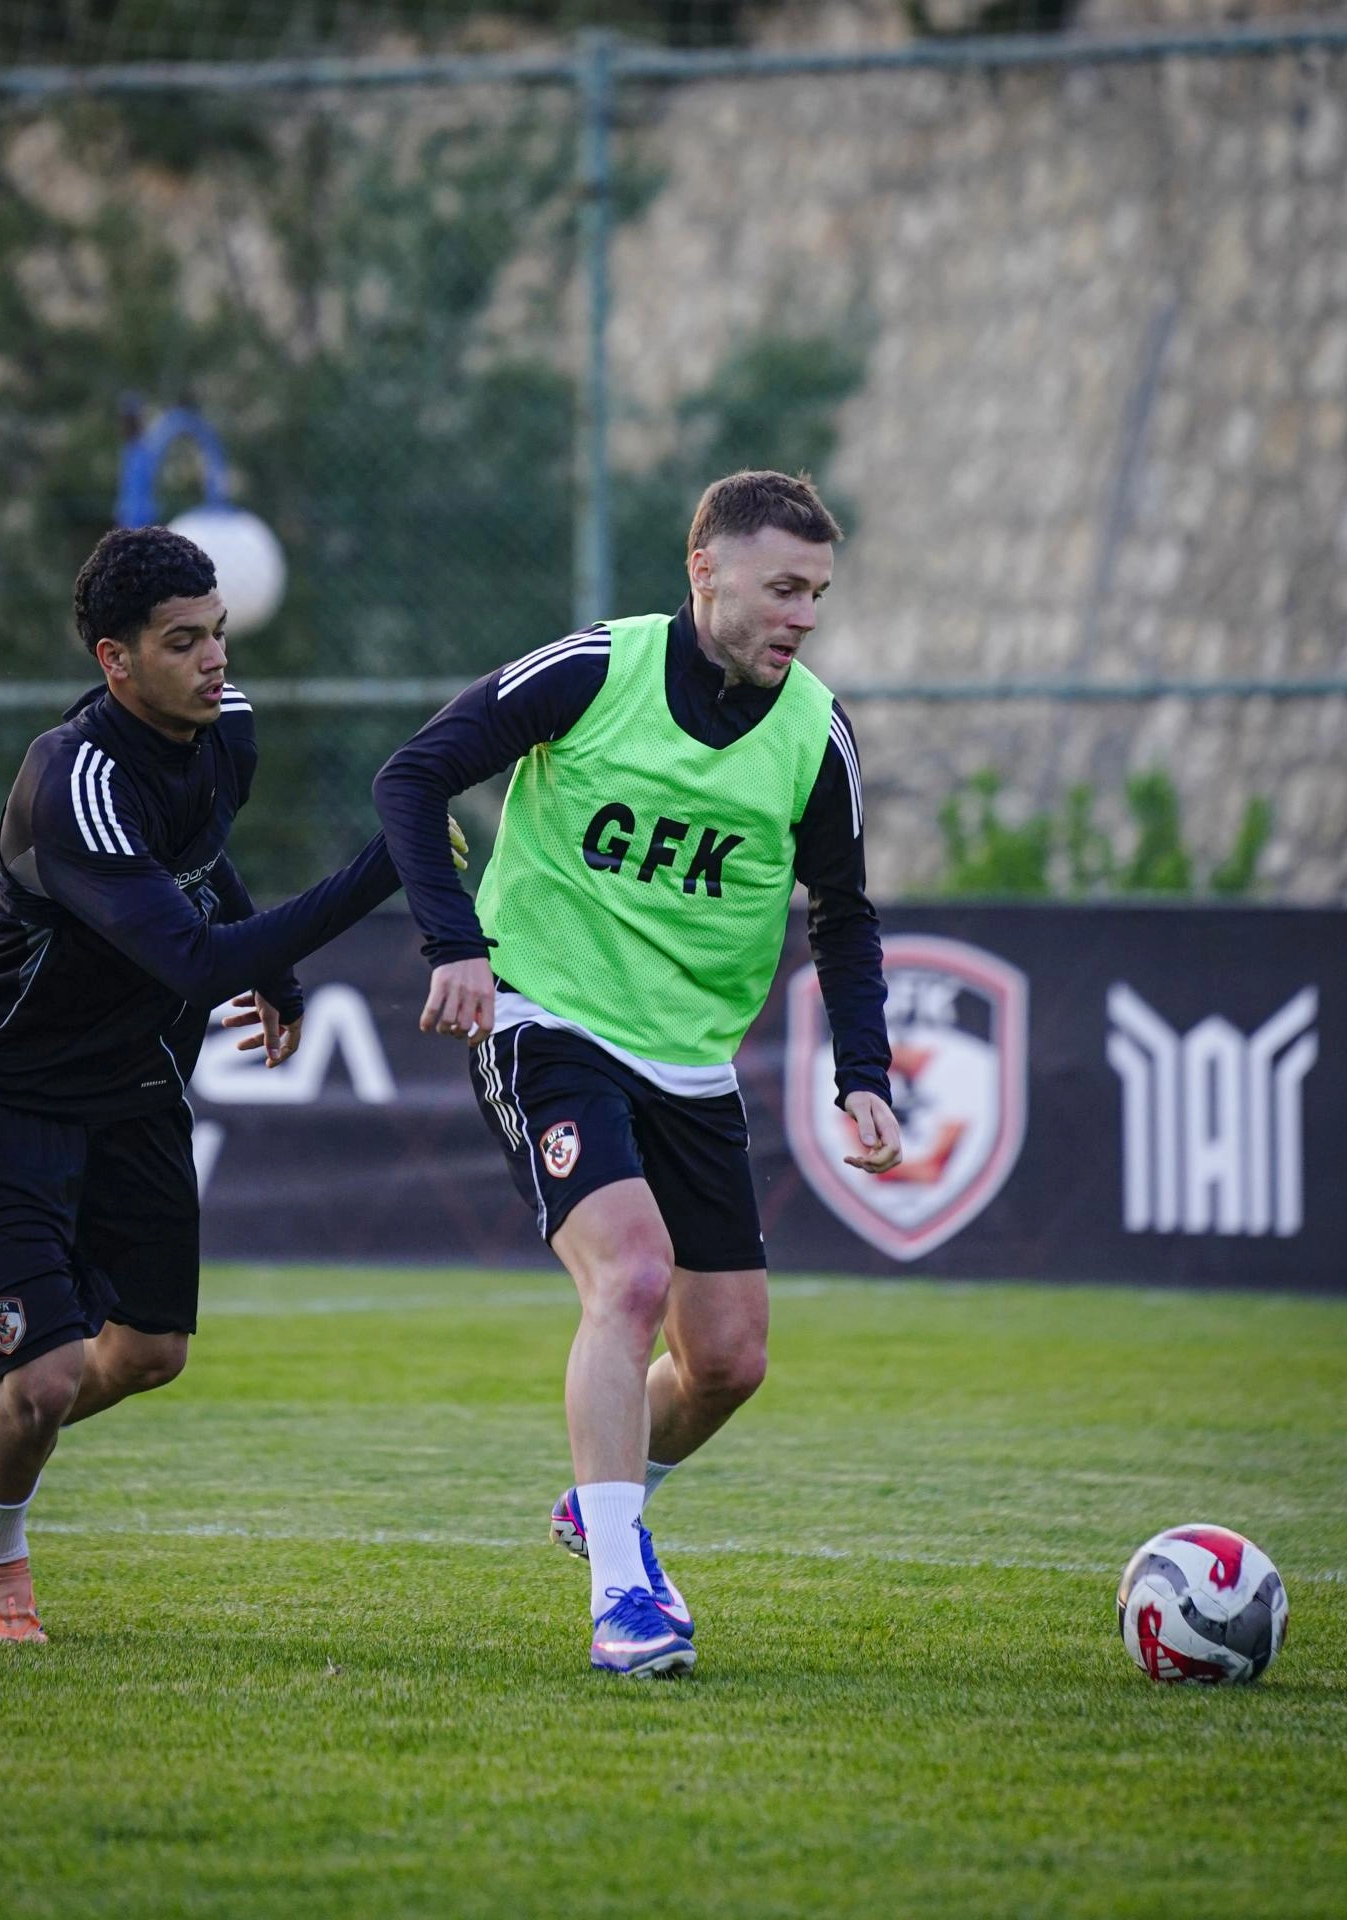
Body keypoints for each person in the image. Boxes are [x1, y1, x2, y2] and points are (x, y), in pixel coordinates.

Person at [372, 469, 903, 1678]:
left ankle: (607, 1497)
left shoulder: (814, 732)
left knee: (728, 1362)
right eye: (782, 588)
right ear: (704, 571)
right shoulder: (596, 668)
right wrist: (455, 944)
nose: (802, 616)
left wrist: (862, 1072)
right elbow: (411, 775)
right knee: (630, 1276)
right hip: (547, 1015)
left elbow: (845, 915)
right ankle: (622, 1594)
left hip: (692, 1061)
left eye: (817, 595)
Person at [0, 524, 461, 1642]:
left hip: (137, 1082)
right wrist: (384, 867)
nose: (216, 661)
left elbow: (201, 857)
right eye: (182, 642)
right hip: (7, 1088)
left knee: (150, 1350)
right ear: (114, 661)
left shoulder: (224, 727)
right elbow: (195, 962)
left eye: (219, 633)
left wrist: (279, 971)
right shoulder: (74, 782)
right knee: (45, 1377)